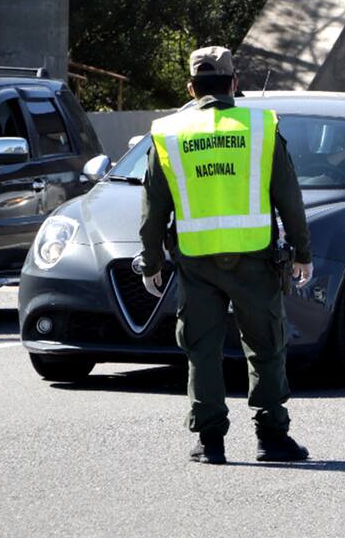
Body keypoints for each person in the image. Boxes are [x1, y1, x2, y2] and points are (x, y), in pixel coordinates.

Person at [135, 46, 314, 465]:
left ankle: (209, 442)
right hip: (255, 258)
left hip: (196, 260)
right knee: (266, 346)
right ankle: (272, 438)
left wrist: (152, 260)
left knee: (202, 348)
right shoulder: (262, 126)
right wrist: (303, 251)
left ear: (190, 88)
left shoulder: (168, 133)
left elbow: (153, 208)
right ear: (234, 84)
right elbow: (289, 196)